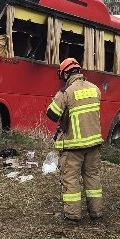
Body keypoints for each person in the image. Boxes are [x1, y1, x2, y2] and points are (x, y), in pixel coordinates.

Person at [45, 58, 104, 223]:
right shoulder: (95, 89)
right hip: (93, 144)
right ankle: (96, 212)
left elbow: (52, 114)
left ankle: (72, 215)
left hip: (73, 145)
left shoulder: (66, 92)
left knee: (70, 179)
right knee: (92, 176)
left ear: (65, 73)